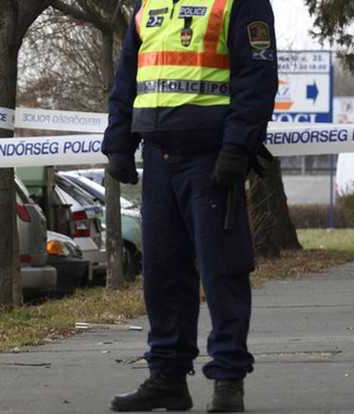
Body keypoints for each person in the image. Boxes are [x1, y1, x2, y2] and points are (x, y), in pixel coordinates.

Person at [102, 1, 278, 412]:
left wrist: (238, 146)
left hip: (212, 160)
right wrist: (119, 142)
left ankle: (228, 382)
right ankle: (167, 377)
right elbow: (128, 75)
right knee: (162, 274)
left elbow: (257, 78)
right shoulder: (152, 3)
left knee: (223, 273)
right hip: (159, 157)